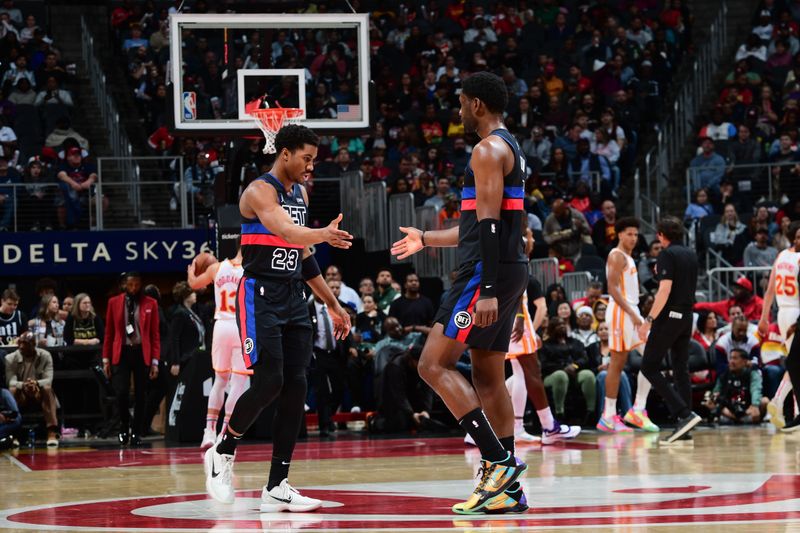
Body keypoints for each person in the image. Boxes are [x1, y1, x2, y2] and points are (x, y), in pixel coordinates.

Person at [390, 72, 529, 514]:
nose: (459, 111)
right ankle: (506, 493)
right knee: (488, 375)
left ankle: (498, 463)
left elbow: (489, 225)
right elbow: (477, 226)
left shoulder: (486, 149)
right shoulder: (510, 146)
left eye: (462, 103)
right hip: (506, 269)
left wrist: (485, 288)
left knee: (432, 364)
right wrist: (426, 239)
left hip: (484, 276)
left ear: (477, 106)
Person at [204, 125, 352, 513]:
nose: (310, 166)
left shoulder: (300, 194)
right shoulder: (258, 191)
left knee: (297, 386)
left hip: (293, 296)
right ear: (284, 153)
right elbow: (286, 230)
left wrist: (333, 304)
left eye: (313, 160)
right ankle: (222, 451)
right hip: (259, 295)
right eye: (306, 157)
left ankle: (277, 484)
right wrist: (321, 233)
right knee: (270, 380)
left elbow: (304, 256)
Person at [502, 225, 581, 445]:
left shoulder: (516, 260)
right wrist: (519, 317)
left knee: (512, 376)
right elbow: (512, 289)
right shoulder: (514, 260)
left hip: (512, 321)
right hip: (516, 322)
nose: (533, 240)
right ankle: (545, 426)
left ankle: (493, 427)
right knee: (527, 374)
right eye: (529, 235)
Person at [637, 216, 702, 444]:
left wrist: (649, 319)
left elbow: (664, 290)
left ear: (661, 235)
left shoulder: (666, 254)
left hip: (670, 315)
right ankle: (685, 426)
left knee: (649, 366)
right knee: (680, 367)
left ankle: (684, 414)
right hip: (687, 315)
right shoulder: (690, 253)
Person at [598, 217, 658, 433]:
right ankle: (608, 415)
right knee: (617, 362)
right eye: (629, 234)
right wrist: (633, 314)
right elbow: (612, 289)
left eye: (635, 234)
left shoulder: (629, 258)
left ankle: (638, 409)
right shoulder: (616, 256)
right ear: (619, 234)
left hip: (631, 312)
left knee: (653, 357)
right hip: (622, 313)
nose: (633, 238)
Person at [188, 247, 252, 449]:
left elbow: (194, 284)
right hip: (241, 327)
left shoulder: (216, 268)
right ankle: (224, 434)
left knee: (220, 380)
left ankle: (208, 431)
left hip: (221, 326)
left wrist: (191, 270)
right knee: (239, 383)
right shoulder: (251, 269)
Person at [103, 272, 161, 447]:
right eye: (130, 285)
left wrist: (155, 361)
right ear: (124, 285)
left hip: (141, 352)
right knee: (121, 393)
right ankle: (123, 427)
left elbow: (154, 334)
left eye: (136, 284)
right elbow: (109, 332)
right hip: (121, 352)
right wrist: (106, 358)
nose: (133, 288)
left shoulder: (151, 303)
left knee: (141, 395)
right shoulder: (114, 302)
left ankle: (136, 432)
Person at [759, 221, 800, 429]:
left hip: (782, 312)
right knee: (795, 362)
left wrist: (764, 317)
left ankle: (795, 413)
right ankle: (777, 399)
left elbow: (769, 291)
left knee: (795, 362)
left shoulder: (781, 255)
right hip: (796, 312)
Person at [538, 317, 597, 424]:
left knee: (588, 375)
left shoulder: (575, 342)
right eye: (558, 325)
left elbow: (584, 358)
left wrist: (574, 366)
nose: (562, 326)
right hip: (553, 375)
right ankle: (559, 413)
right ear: (552, 329)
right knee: (561, 375)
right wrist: (563, 368)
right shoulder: (545, 345)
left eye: (563, 324)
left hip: (575, 372)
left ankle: (591, 412)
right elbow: (544, 364)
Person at [4, 332, 58, 446]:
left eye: (26, 343)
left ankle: (51, 432)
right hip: (21, 393)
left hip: (38, 392)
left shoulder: (45, 355)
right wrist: (24, 385)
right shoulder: (10, 358)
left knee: (47, 389)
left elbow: (49, 379)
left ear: (34, 344)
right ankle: (14, 434)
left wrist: (36, 383)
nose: (22, 346)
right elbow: (11, 381)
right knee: (12, 390)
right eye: (20, 343)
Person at [704, 348, 769, 425]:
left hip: (748, 408)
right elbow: (716, 392)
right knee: (710, 403)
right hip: (729, 409)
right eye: (730, 358)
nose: (731, 361)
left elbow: (756, 389)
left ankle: (742, 419)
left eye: (735, 358)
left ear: (745, 362)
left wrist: (754, 405)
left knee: (765, 401)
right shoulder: (724, 375)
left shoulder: (753, 373)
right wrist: (713, 398)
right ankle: (737, 419)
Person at [694, 276, 763, 322]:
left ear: (747, 291)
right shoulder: (729, 304)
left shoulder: (760, 304)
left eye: (739, 289)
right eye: (735, 288)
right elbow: (708, 306)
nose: (735, 291)